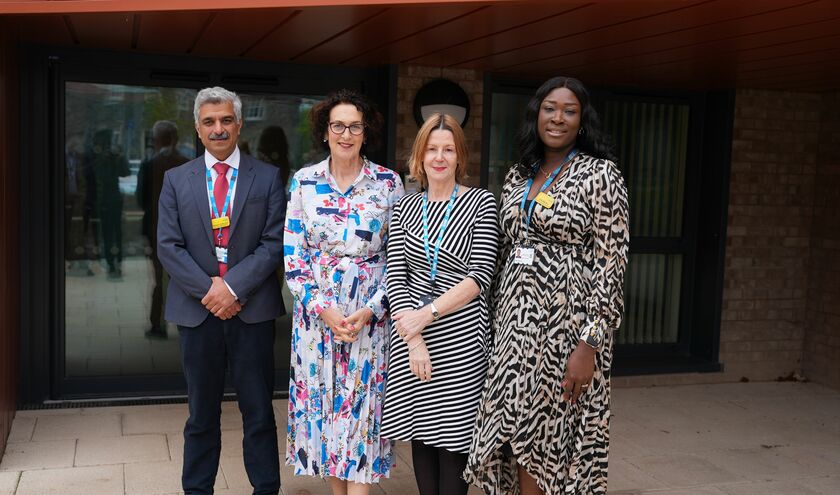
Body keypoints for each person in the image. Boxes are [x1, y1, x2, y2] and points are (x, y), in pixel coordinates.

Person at [465, 76, 630, 494]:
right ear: (536, 115)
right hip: (513, 330)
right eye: (550, 108)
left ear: (581, 120)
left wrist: (588, 345)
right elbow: (501, 252)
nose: (558, 118)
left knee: (551, 441)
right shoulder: (519, 175)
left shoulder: (601, 175)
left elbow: (612, 265)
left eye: (569, 110)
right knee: (509, 437)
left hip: (567, 332)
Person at [157, 86, 286, 495]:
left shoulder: (267, 177)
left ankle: (265, 489)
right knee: (201, 415)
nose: (218, 129)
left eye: (226, 120)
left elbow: (274, 242)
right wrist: (210, 291)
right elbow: (168, 246)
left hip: (252, 312)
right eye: (209, 122)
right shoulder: (175, 179)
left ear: (239, 123)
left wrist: (232, 287)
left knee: (259, 414)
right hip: (198, 314)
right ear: (197, 128)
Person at [283, 89, 404, 494]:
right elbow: (294, 259)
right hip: (318, 323)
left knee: (361, 416)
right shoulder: (304, 181)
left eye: (355, 126)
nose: (346, 134)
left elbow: (399, 257)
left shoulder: (388, 183)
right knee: (326, 413)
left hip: (369, 321)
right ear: (325, 131)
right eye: (338, 125)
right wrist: (325, 311)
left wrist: (371, 309)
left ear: (365, 132)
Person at [381, 113, 498, 495]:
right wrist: (413, 337)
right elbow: (395, 275)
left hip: (461, 335)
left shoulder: (482, 203)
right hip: (412, 338)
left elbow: (480, 275)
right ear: (420, 155)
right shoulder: (404, 208)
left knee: (453, 442)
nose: (440, 157)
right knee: (421, 435)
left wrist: (426, 315)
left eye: (448, 149)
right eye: (432, 148)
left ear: (460, 156)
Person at [136, 120, 189, 338]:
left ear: (157, 140)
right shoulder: (187, 163)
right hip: (185, 231)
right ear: (174, 139)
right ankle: (186, 324)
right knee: (185, 279)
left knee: (159, 278)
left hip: (157, 230)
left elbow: (141, 199)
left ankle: (157, 325)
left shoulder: (149, 165)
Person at [90, 128, 131, 279]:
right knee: (110, 232)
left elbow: (125, 172)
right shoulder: (101, 158)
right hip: (108, 198)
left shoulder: (112, 158)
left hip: (111, 198)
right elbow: (99, 174)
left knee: (114, 232)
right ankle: (112, 262)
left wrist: (117, 159)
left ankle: (115, 262)